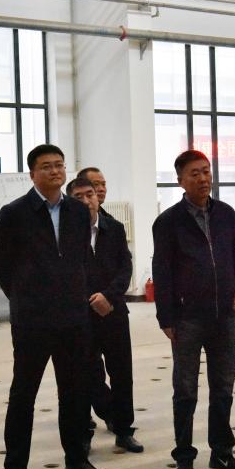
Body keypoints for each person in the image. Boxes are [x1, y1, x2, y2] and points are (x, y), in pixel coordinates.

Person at [0, 144, 106, 469]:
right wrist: (23, 297)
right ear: (32, 173)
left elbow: (82, 259)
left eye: (59, 165)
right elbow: (1, 263)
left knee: (74, 392)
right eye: (46, 166)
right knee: (23, 394)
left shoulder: (77, 211)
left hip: (72, 318)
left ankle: (76, 461)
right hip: (32, 320)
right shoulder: (14, 213)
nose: (55, 171)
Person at [152, 150, 235, 469]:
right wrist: (166, 317)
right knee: (185, 390)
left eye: (206, 171)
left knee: (223, 388)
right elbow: (161, 271)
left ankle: (222, 452)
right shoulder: (168, 221)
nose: (203, 178)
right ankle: (184, 455)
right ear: (180, 180)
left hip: (224, 316)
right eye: (194, 173)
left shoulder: (226, 214)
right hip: (186, 318)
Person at [66, 176, 142, 453]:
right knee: (83, 375)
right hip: (81, 315)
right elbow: (65, 275)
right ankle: (84, 434)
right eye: (78, 197)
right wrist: (90, 299)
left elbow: (125, 267)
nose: (86, 201)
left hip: (114, 311)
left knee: (122, 372)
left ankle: (123, 430)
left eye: (90, 194)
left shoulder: (115, 228)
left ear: (98, 197)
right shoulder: (65, 234)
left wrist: (109, 296)